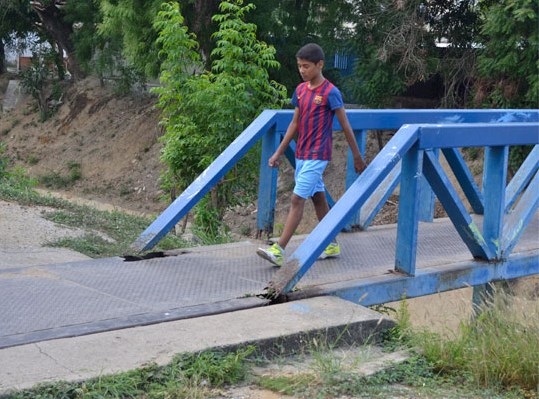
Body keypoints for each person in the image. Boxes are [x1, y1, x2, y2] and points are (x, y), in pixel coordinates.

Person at [257, 43, 366, 267]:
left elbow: (345, 125)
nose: (302, 70)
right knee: (318, 198)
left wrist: (356, 156)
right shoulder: (300, 90)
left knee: (297, 199)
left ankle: (279, 249)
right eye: (299, 66)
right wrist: (278, 151)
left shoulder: (330, 92)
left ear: (320, 65)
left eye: (306, 66)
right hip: (302, 153)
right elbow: (294, 123)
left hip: (318, 154)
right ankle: (331, 243)